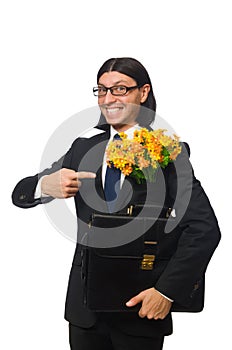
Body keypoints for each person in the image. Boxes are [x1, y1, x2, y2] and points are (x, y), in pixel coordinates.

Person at [12, 57, 221, 350]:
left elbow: (204, 229)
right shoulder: (83, 147)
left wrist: (166, 292)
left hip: (140, 308)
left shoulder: (169, 153)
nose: (108, 98)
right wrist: (41, 186)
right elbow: (19, 194)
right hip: (84, 312)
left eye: (120, 89)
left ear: (143, 92)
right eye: (101, 90)